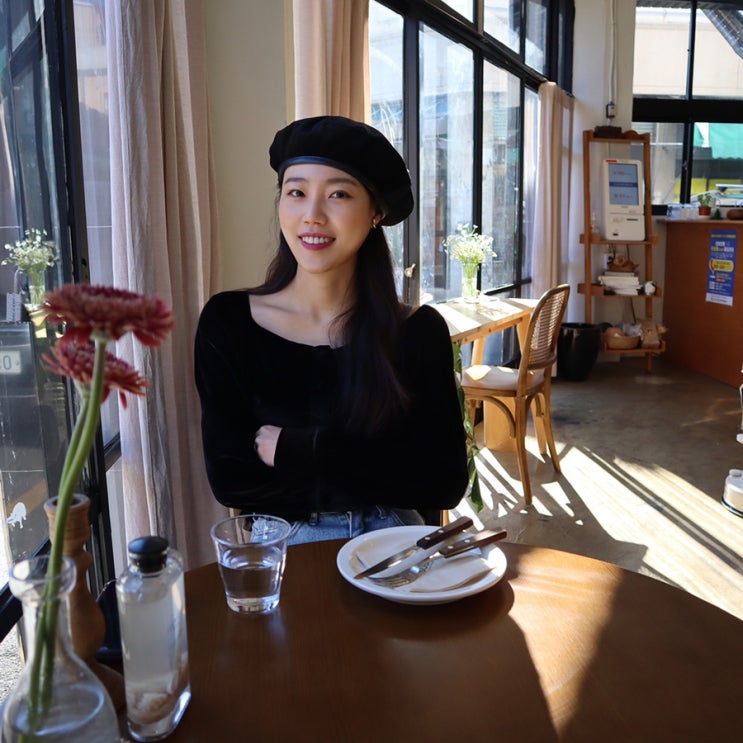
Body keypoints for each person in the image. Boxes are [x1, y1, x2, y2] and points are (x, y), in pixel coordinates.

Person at [194, 115, 469, 544]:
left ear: (375, 212)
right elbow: (233, 481)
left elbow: (442, 482)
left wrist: (300, 449)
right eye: (297, 192)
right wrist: (378, 464)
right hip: (287, 540)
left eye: (339, 194)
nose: (312, 215)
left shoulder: (417, 331)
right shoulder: (229, 322)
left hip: (395, 535)